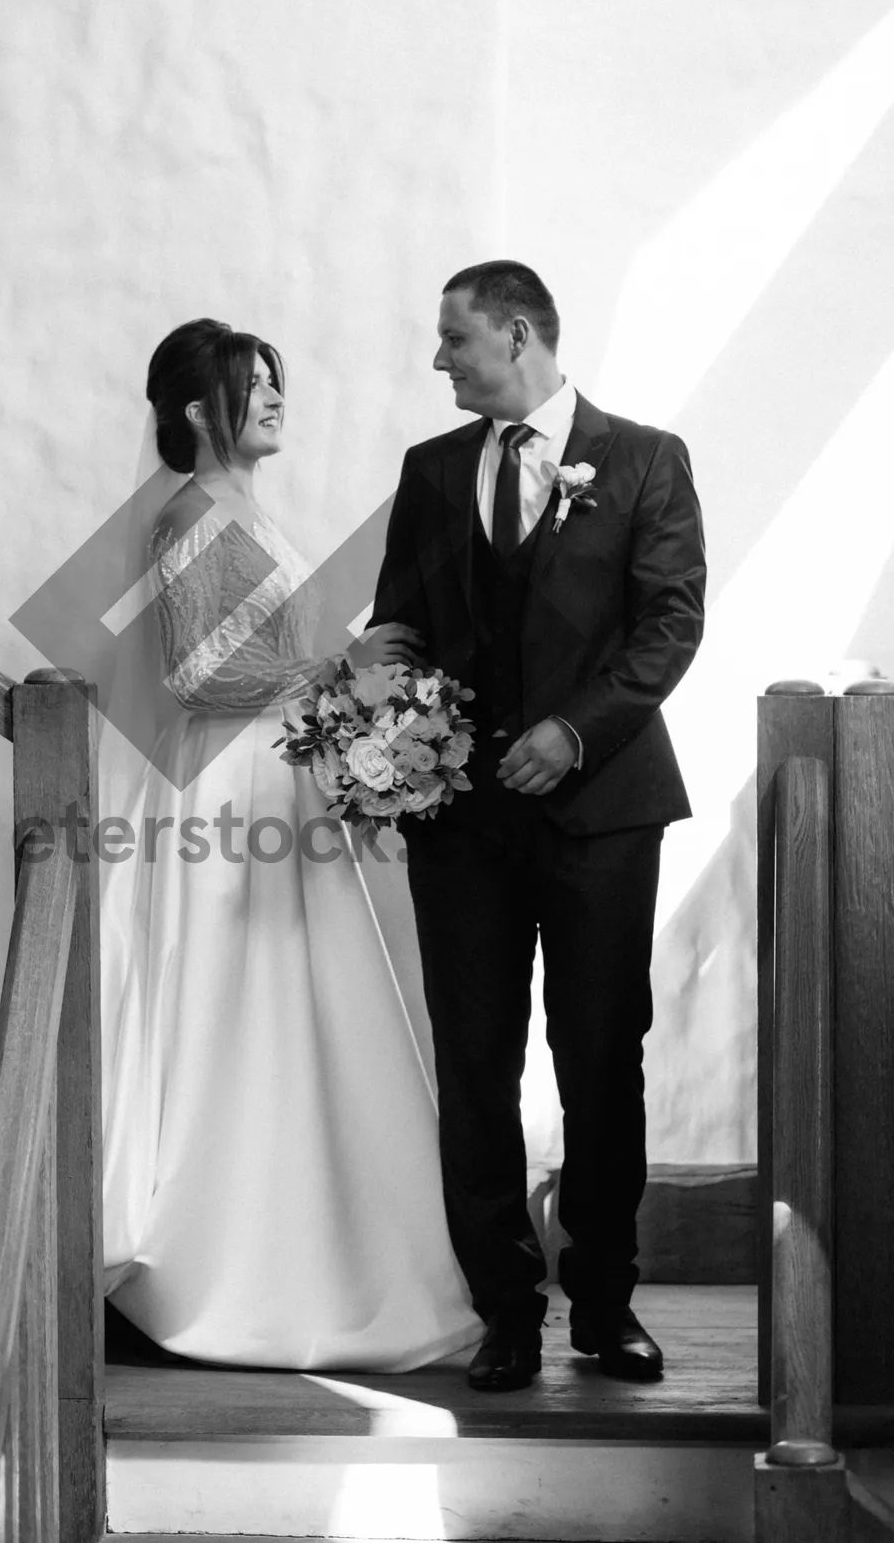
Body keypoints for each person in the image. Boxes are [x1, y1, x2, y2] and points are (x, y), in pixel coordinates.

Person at [97, 317, 483, 1370]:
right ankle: (229, 1261)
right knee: (243, 1008)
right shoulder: (186, 516)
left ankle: (326, 1250)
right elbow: (191, 678)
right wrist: (339, 666)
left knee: (307, 1004)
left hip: (277, 778)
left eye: (275, 382)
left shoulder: (241, 507)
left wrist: (348, 688)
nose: (273, 397)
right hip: (227, 793)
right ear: (194, 411)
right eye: (250, 384)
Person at [371, 261, 706, 1391]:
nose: (438, 362)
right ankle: (504, 1309)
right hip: (460, 823)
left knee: (601, 1060)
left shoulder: (647, 458)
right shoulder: (429, 472)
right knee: (474, 1064)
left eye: (452, 339)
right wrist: (382, 730)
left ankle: (605, 1306)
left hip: (604, 814)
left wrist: (573, 730)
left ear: (517, 335)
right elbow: (402, 625)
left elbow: (670, 623)